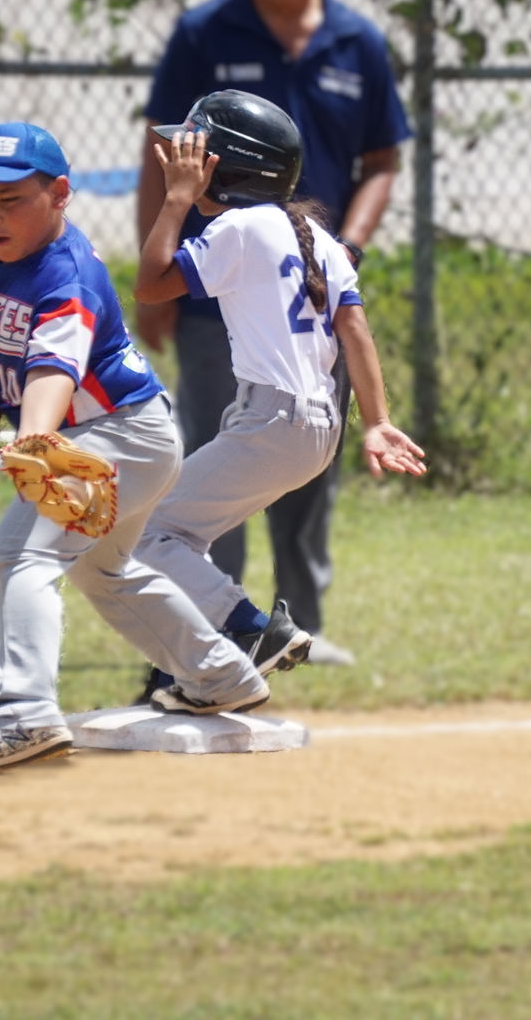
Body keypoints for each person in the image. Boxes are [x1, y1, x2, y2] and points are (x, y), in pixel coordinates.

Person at [0, 120, 302, 775]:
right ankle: (221, 674)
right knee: (101, 569)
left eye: (12, 199)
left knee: (21, 553)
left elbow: (57, 366)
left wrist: (34, 436)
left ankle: (23, 714)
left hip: (122, 437)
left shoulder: (66, 271)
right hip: (114, 436)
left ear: (60, 195)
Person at [136, 0, 411, 666]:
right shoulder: (205, 34)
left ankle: (263, 630)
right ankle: (213, 635)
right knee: (222, 459)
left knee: (210, 494)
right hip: (218, 298)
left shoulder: (356, 41)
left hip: (294, 272)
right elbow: (162, 153)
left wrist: (341, 255)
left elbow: (382, 158)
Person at [131, 90, 426, 694]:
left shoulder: (239, 228)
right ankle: (190, 668)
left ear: (224, 167)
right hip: (315, 428)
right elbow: (354, 329)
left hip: (272, 423)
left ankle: (250, 631)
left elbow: (151, 284)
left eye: (193, 152)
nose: (179, 159)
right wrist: (376, 420)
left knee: (147, 533)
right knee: (184, 536)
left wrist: (177, 200)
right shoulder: (316, 236)